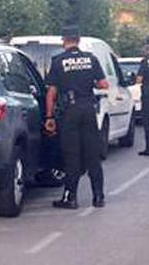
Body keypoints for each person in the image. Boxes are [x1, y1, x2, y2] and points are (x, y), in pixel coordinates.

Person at [45, 26, 109, 209]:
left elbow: (51, 93)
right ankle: (98, 197)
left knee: (72, 156)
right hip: (88, 109)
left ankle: (70, 198)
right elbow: (104, 84)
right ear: (79, 39)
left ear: (64, 40)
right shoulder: (91, 59)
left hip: (69, 111)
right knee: (93, 156)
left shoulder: (58, 61)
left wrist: (49, 117)